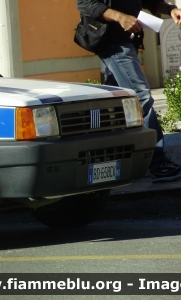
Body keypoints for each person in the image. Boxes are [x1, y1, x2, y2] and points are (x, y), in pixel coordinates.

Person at [77, 0, 181, 183]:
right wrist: (121, 17)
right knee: (141, 97)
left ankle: (107, 161)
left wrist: (170, 9)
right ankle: (157, 162)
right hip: (113, 43)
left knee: (114, 105)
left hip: (128, 41)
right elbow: (86, 4)